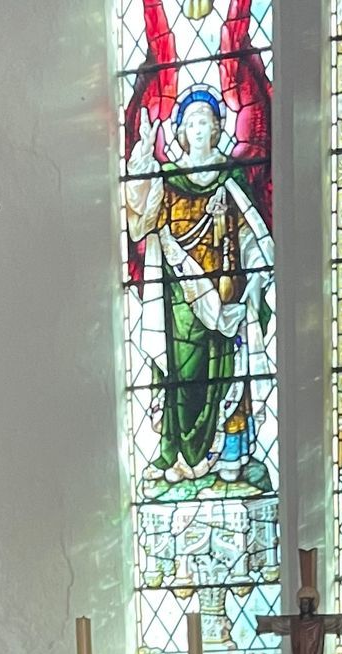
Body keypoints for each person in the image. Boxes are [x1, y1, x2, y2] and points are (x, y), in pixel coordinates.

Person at [125, 89, 272, 485]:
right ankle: (179, 453)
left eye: (206, 120)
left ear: (219, 127)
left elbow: (249, 232)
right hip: (180, 297)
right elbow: (144, 221)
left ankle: (230, 451)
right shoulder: (170, 180)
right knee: (183, 374)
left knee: (226, 370)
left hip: (225, 292)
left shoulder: (231, 177)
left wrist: (255, 273)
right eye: (191, 122)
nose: (199, 127)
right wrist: (142, 152)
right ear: (181, 132)